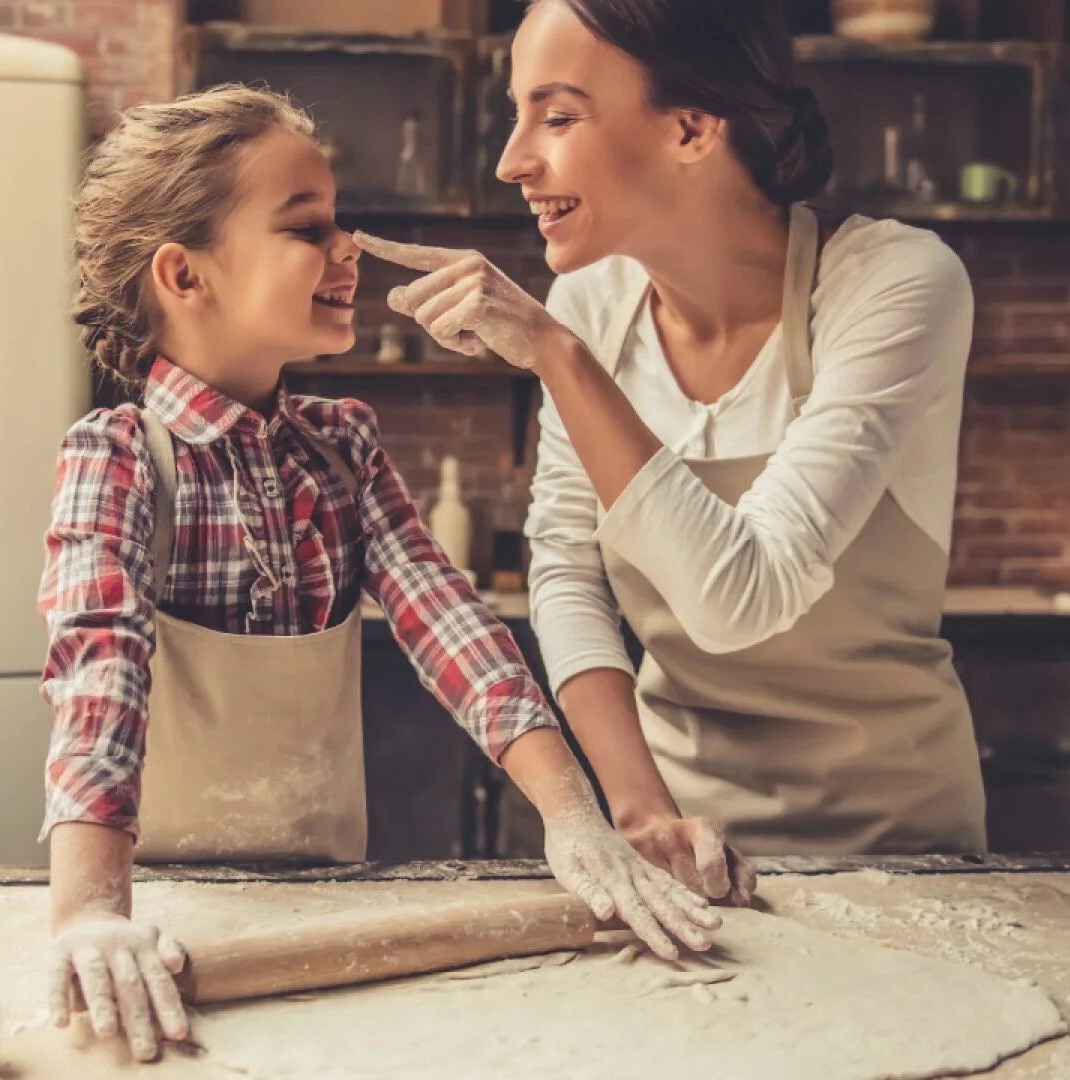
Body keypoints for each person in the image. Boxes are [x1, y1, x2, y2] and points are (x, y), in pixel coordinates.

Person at [38, 84, 720, 1064]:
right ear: (186, 276)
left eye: (339, 222)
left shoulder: (341, 448)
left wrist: (576, 820)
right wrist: (90, 915)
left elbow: (453, 626)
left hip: (331, 910)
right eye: (306, 228)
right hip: (169, 927)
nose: (348, 249)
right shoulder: (118, 456)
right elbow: (98, 674)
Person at [362, 0, 986, 903]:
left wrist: (555, 355)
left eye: (559, 116)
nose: (513, 160)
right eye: (516, 113)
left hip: (902, 848)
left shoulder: (891, 285)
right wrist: (640, 809)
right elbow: (568, 568)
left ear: (691, 128)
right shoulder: (589, 305)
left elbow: (745, 595)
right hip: (688, 841)